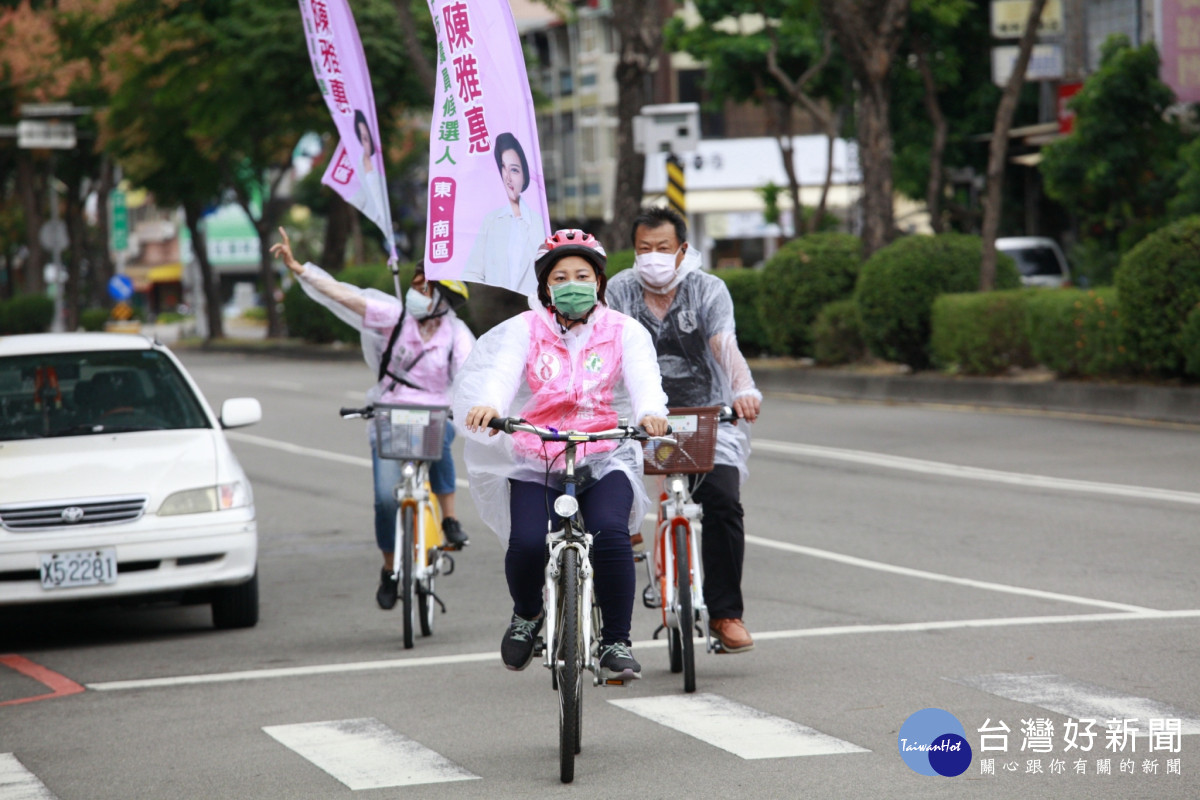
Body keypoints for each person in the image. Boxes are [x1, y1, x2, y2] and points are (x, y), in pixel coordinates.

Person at [454, 229, 669, 681]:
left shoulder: (625, 331)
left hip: (604, 450)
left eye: (583, 275)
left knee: (611, 535)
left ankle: (616, 642)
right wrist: (491, 405)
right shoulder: (524, 330)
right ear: (545, 287)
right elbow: (503, 374)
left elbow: (645, 379)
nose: (573, 283)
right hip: (538, 453)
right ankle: (527, 614)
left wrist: (651, 413)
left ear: (600, 281)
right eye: (561, 276)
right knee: (529, 543)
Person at [271, 227, 475, 610]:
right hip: (389, 413)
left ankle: (449, 519)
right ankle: (389, 569)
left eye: (425, 286)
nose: (416, 291)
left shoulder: (457, 335)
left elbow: (470, 378)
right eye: (415, 284)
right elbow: (345, 296)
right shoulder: (394, 317)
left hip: (433, 414)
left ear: (444, 300)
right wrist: (300, 270)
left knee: (444, 432)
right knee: (385, 499)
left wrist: (477, 409)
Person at [605, 207, 763, 654]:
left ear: (683, 250)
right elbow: (607, 350)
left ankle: (726, 614)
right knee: (608, 493)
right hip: (637, 418)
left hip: (706, 417)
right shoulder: (619, 290)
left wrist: (744, 389)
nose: (653, 257)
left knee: (723, 502)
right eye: (644, 249)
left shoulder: (708, 289)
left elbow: (723, 344)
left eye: (663, 248)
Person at [461, 132, 546, 295]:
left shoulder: (540, 223)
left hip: (531, 312)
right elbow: (472, 272)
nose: (508, 177)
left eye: (514, 170)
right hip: (494, 312)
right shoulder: (490, 221)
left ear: (524, 175)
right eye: (503, 168)